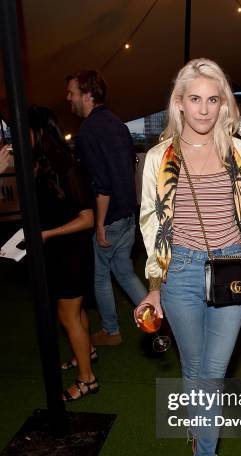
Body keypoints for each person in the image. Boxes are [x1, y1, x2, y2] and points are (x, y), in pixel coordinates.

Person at [138, 58, 241, 456]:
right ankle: (202, 444)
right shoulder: (159, 157)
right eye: (195, 99)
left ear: (224, 103)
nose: (205, 109)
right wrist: (154, 285)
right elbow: (151, 227)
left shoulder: (238, 153)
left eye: (213, 99)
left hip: (232, 267)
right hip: (181, 274)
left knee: (212, 374)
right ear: (179, 103)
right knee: (195, 370)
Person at [66, 70, 146, 346]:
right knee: (124, 271)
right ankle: (157, 319)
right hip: (127, 213)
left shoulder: (88, 131)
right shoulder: (116, 123)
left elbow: (101, 184)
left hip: (110, 216)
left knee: (100, 275)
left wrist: (99, 222)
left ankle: (111, 331)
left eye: (72, 93)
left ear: (87, 95)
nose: (69, 99)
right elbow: (127, 170)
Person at [28, 105, 98, 400]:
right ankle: (87, 353)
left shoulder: (67, 167)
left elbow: (88, 218)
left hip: (71, 250)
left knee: (67, 315)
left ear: (39, 132)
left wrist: (47, 233)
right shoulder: (43, 165)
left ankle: (87, 380)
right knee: (75, 311)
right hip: (60, 251)